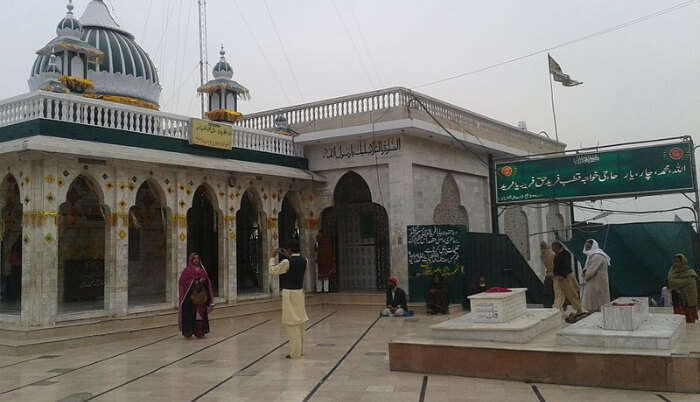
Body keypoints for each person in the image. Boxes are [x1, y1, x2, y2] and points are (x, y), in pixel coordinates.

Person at [269, 239, 309, 359]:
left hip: (290, 294)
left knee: (292, 324)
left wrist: (272, 258)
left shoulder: (287, 262)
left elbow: (273, 271)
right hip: (300, 293)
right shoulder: (305, 260)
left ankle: (295, 353)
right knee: (300, 322)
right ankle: (300, 350)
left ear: (289, 250)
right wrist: (289, 257)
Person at [178, 253, 215, 339]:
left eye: (198, 258)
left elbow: (207, 281)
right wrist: (195, 282)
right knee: (190, 314)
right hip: (190, 297)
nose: (196, 260)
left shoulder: (202, 270)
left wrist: (203, 281)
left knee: (200, 315)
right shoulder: (187, 271)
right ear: (191, 260)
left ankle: (200, 332)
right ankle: (189, 331)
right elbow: (183, 282)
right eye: (194, 259)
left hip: (200, 297)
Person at [551, 241, 583, 315]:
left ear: (558, 247)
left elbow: (566, 266)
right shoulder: (556, 255)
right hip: (557, 278)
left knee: (572, 294)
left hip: (566, 278)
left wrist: (563, 276)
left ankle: (579, 309)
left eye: (553, 247)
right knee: (559, 295)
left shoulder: (566, 254)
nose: (552, 249)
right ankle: (556, 310)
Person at [581, 239, 611, 312]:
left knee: (598, 304)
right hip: (595, 283)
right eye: (586, 247)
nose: (586, 249)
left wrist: (585, 275)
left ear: (593, 247)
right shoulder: (592, 256)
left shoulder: (597, 257)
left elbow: (589, 273)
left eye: (588, 247)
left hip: (597, 284)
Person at [667, 253, 698, 324]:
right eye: (675, 261)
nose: (677, 263)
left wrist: (678, 284)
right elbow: (670, 280)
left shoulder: (689, 272)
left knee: (689, 322)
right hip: (677, 298)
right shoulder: (672, 270)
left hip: (687, 299)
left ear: (683, 262)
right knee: (679, 321)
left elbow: (690, 282)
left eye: (678, 261)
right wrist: (678, 285)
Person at [539, 241, 555, 308]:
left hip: (548, 275)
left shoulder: (542, 255)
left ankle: (548, 305)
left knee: (548, 292)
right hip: (554, 275)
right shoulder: (552, 253)